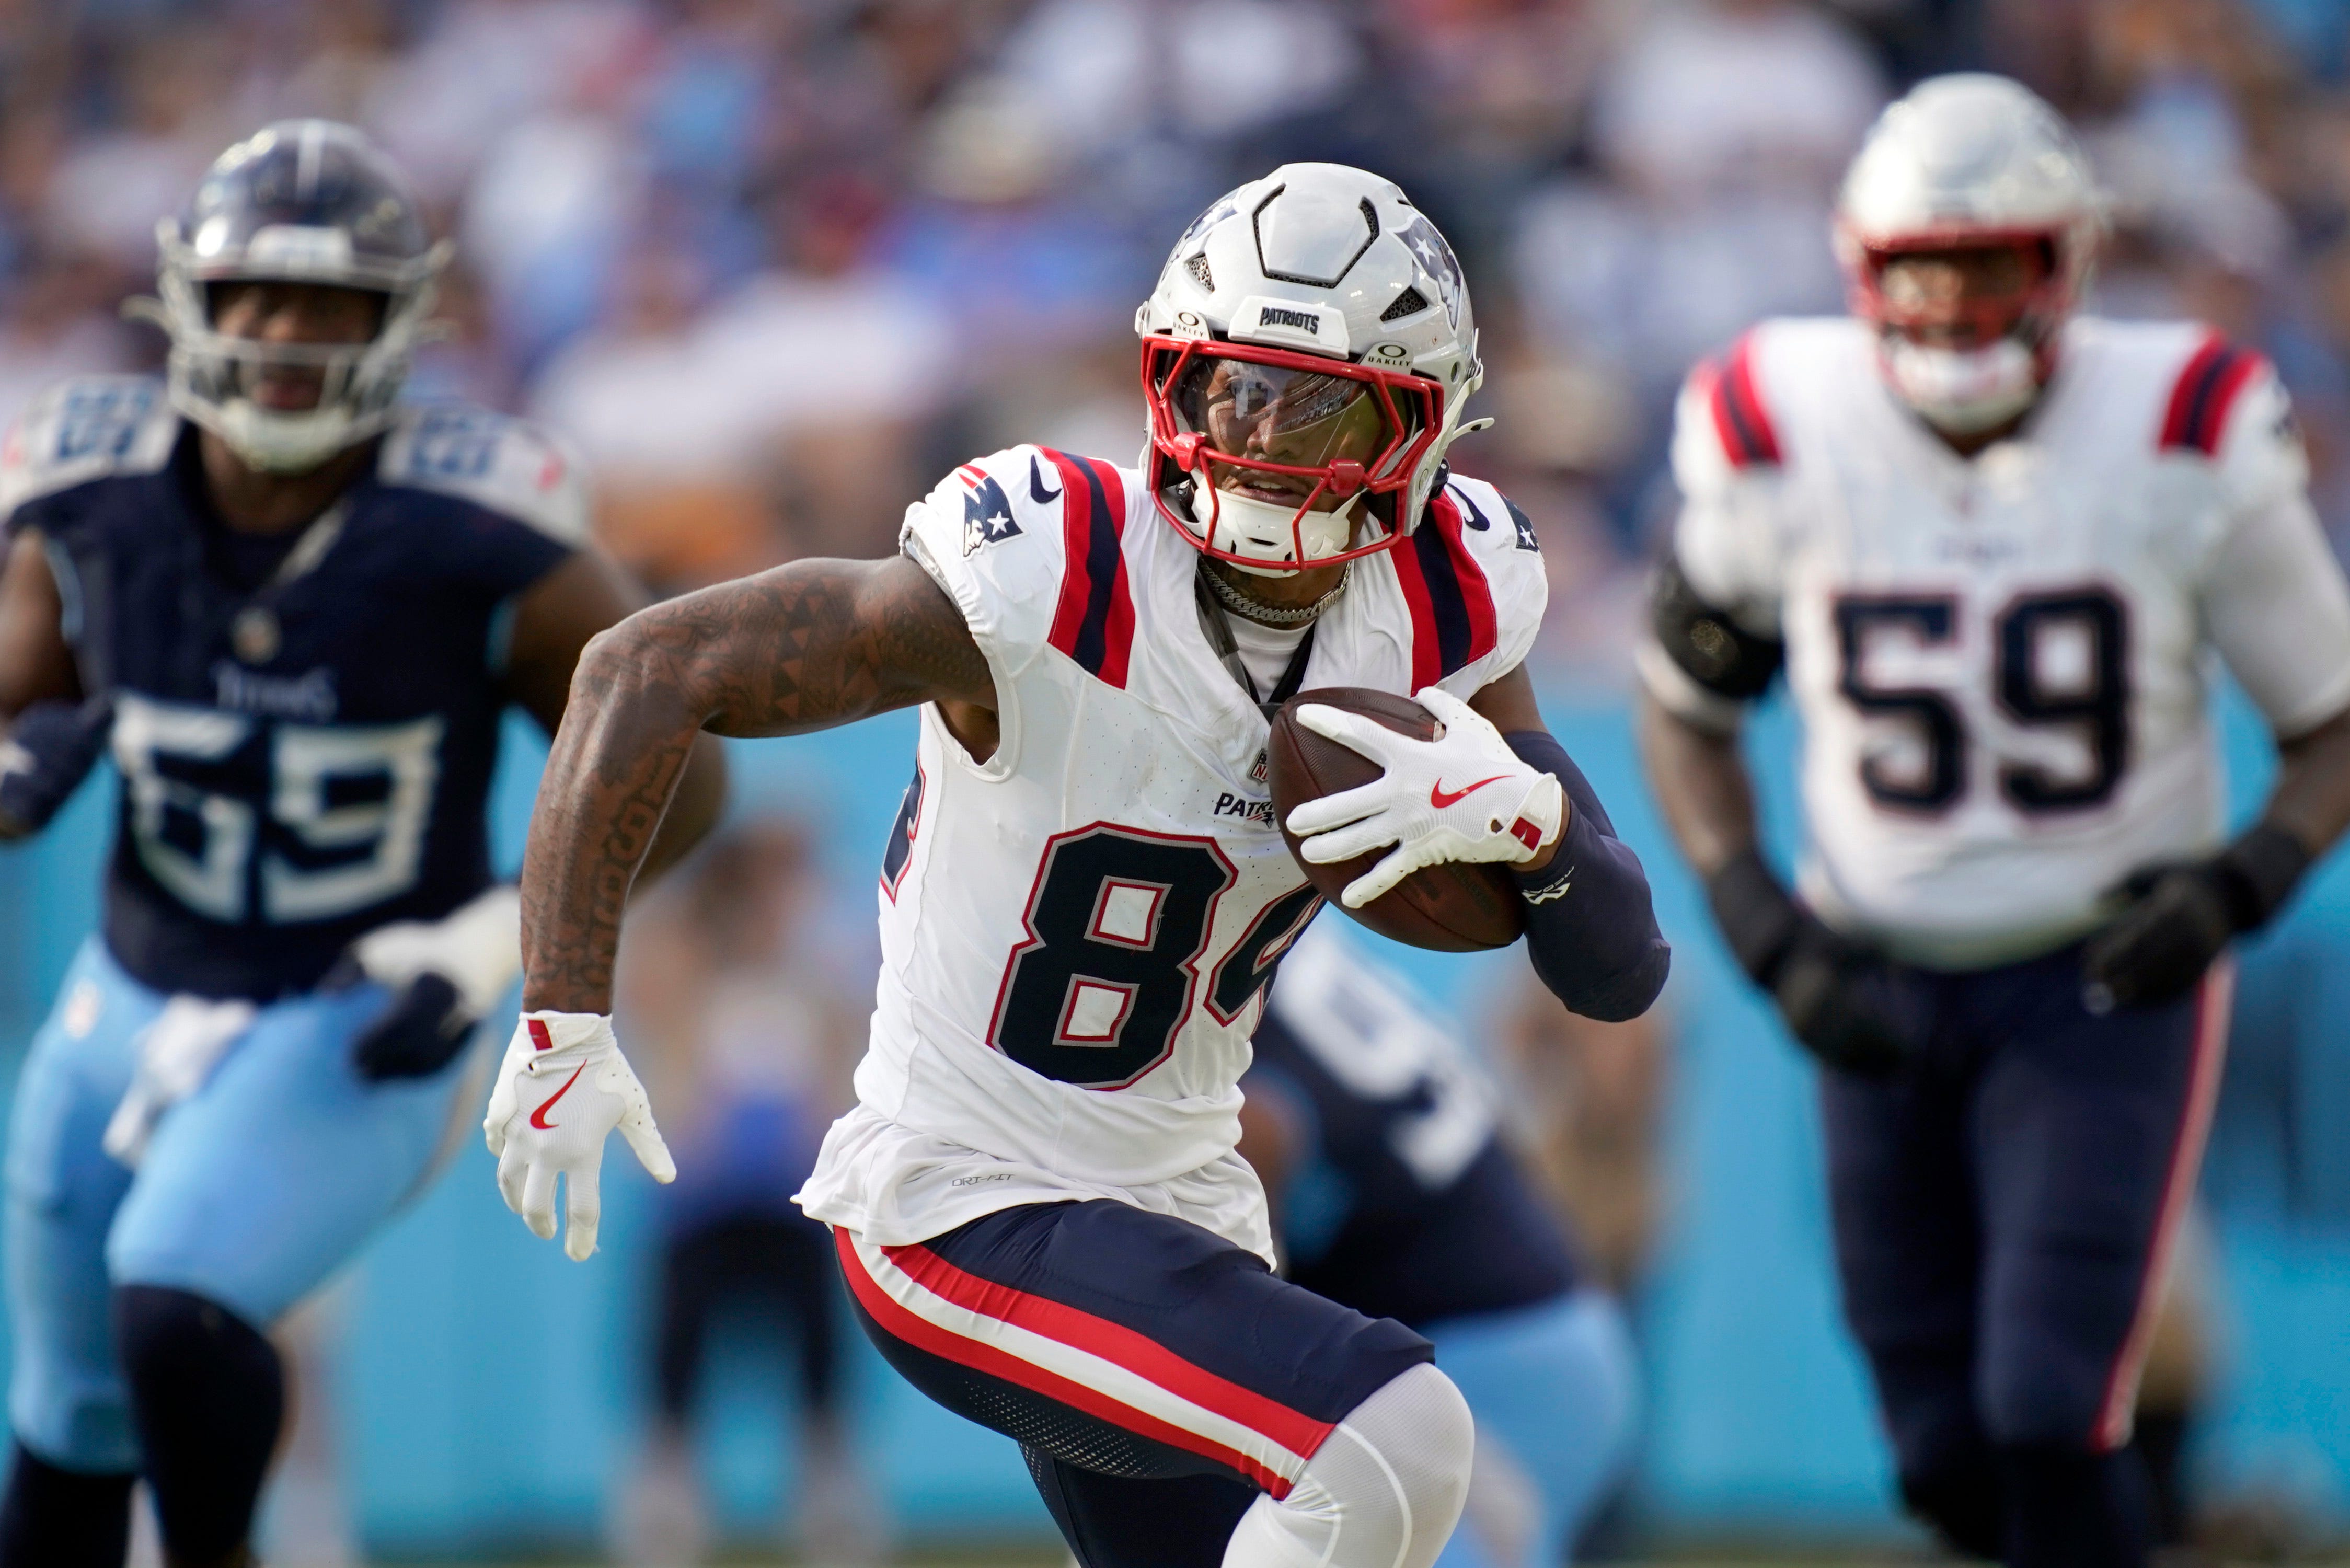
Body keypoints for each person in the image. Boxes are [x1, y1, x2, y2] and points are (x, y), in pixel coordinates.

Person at [489, 162, 1669, 1568]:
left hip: (1185, 1202)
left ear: (1419, 425)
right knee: (1398, 1432)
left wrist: (1530, 825)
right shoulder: (1057, 561)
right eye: (1236, 388)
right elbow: (648, 663)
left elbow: (1616, 969)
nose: (1264, 438)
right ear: (1171, 376)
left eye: (1322, 403)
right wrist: (563, 1012)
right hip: (965, 1204)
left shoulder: (1450, 599)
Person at [1634, 75, 2350, 1568]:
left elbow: (2330, 720)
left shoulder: (2181, 421)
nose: (1955, 303)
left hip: (2102, 978)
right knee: (1944, 1457)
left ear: (2066, 262)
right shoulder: (1784, 417)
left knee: (2046, 1402)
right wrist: (1762, 924)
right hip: (1873, 974)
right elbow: (1683, 707)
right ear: (1863, 270)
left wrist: (2238, 891)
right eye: (1923, 267)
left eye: (1991, 262)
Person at [0, 120, 727, 1568]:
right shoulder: (86, 492)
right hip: (131, 983)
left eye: (327, 305)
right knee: (69, 1414)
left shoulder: (474, 527)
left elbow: (682, 777)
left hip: (357, 1001)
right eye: (257, 297)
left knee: (177, 1299)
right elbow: (19, 689)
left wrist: (488, 944)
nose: (284, 336)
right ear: (189, 306)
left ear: (394, 325)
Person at [1237, 925, 1639, 1568]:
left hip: (1479, 1369)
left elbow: (1257, 1146)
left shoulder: (1222, 987)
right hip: (1522, 1339)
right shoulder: (1277, 936)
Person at [610, 822, 881, 1567]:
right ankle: (666, 1507)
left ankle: (831, 1504)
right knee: (677, 1353)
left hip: (792, 1199)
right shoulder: (683, 956)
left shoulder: (820, 965)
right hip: (699, 1202)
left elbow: (851, 1045)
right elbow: (643, 999)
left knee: (819, 1354)